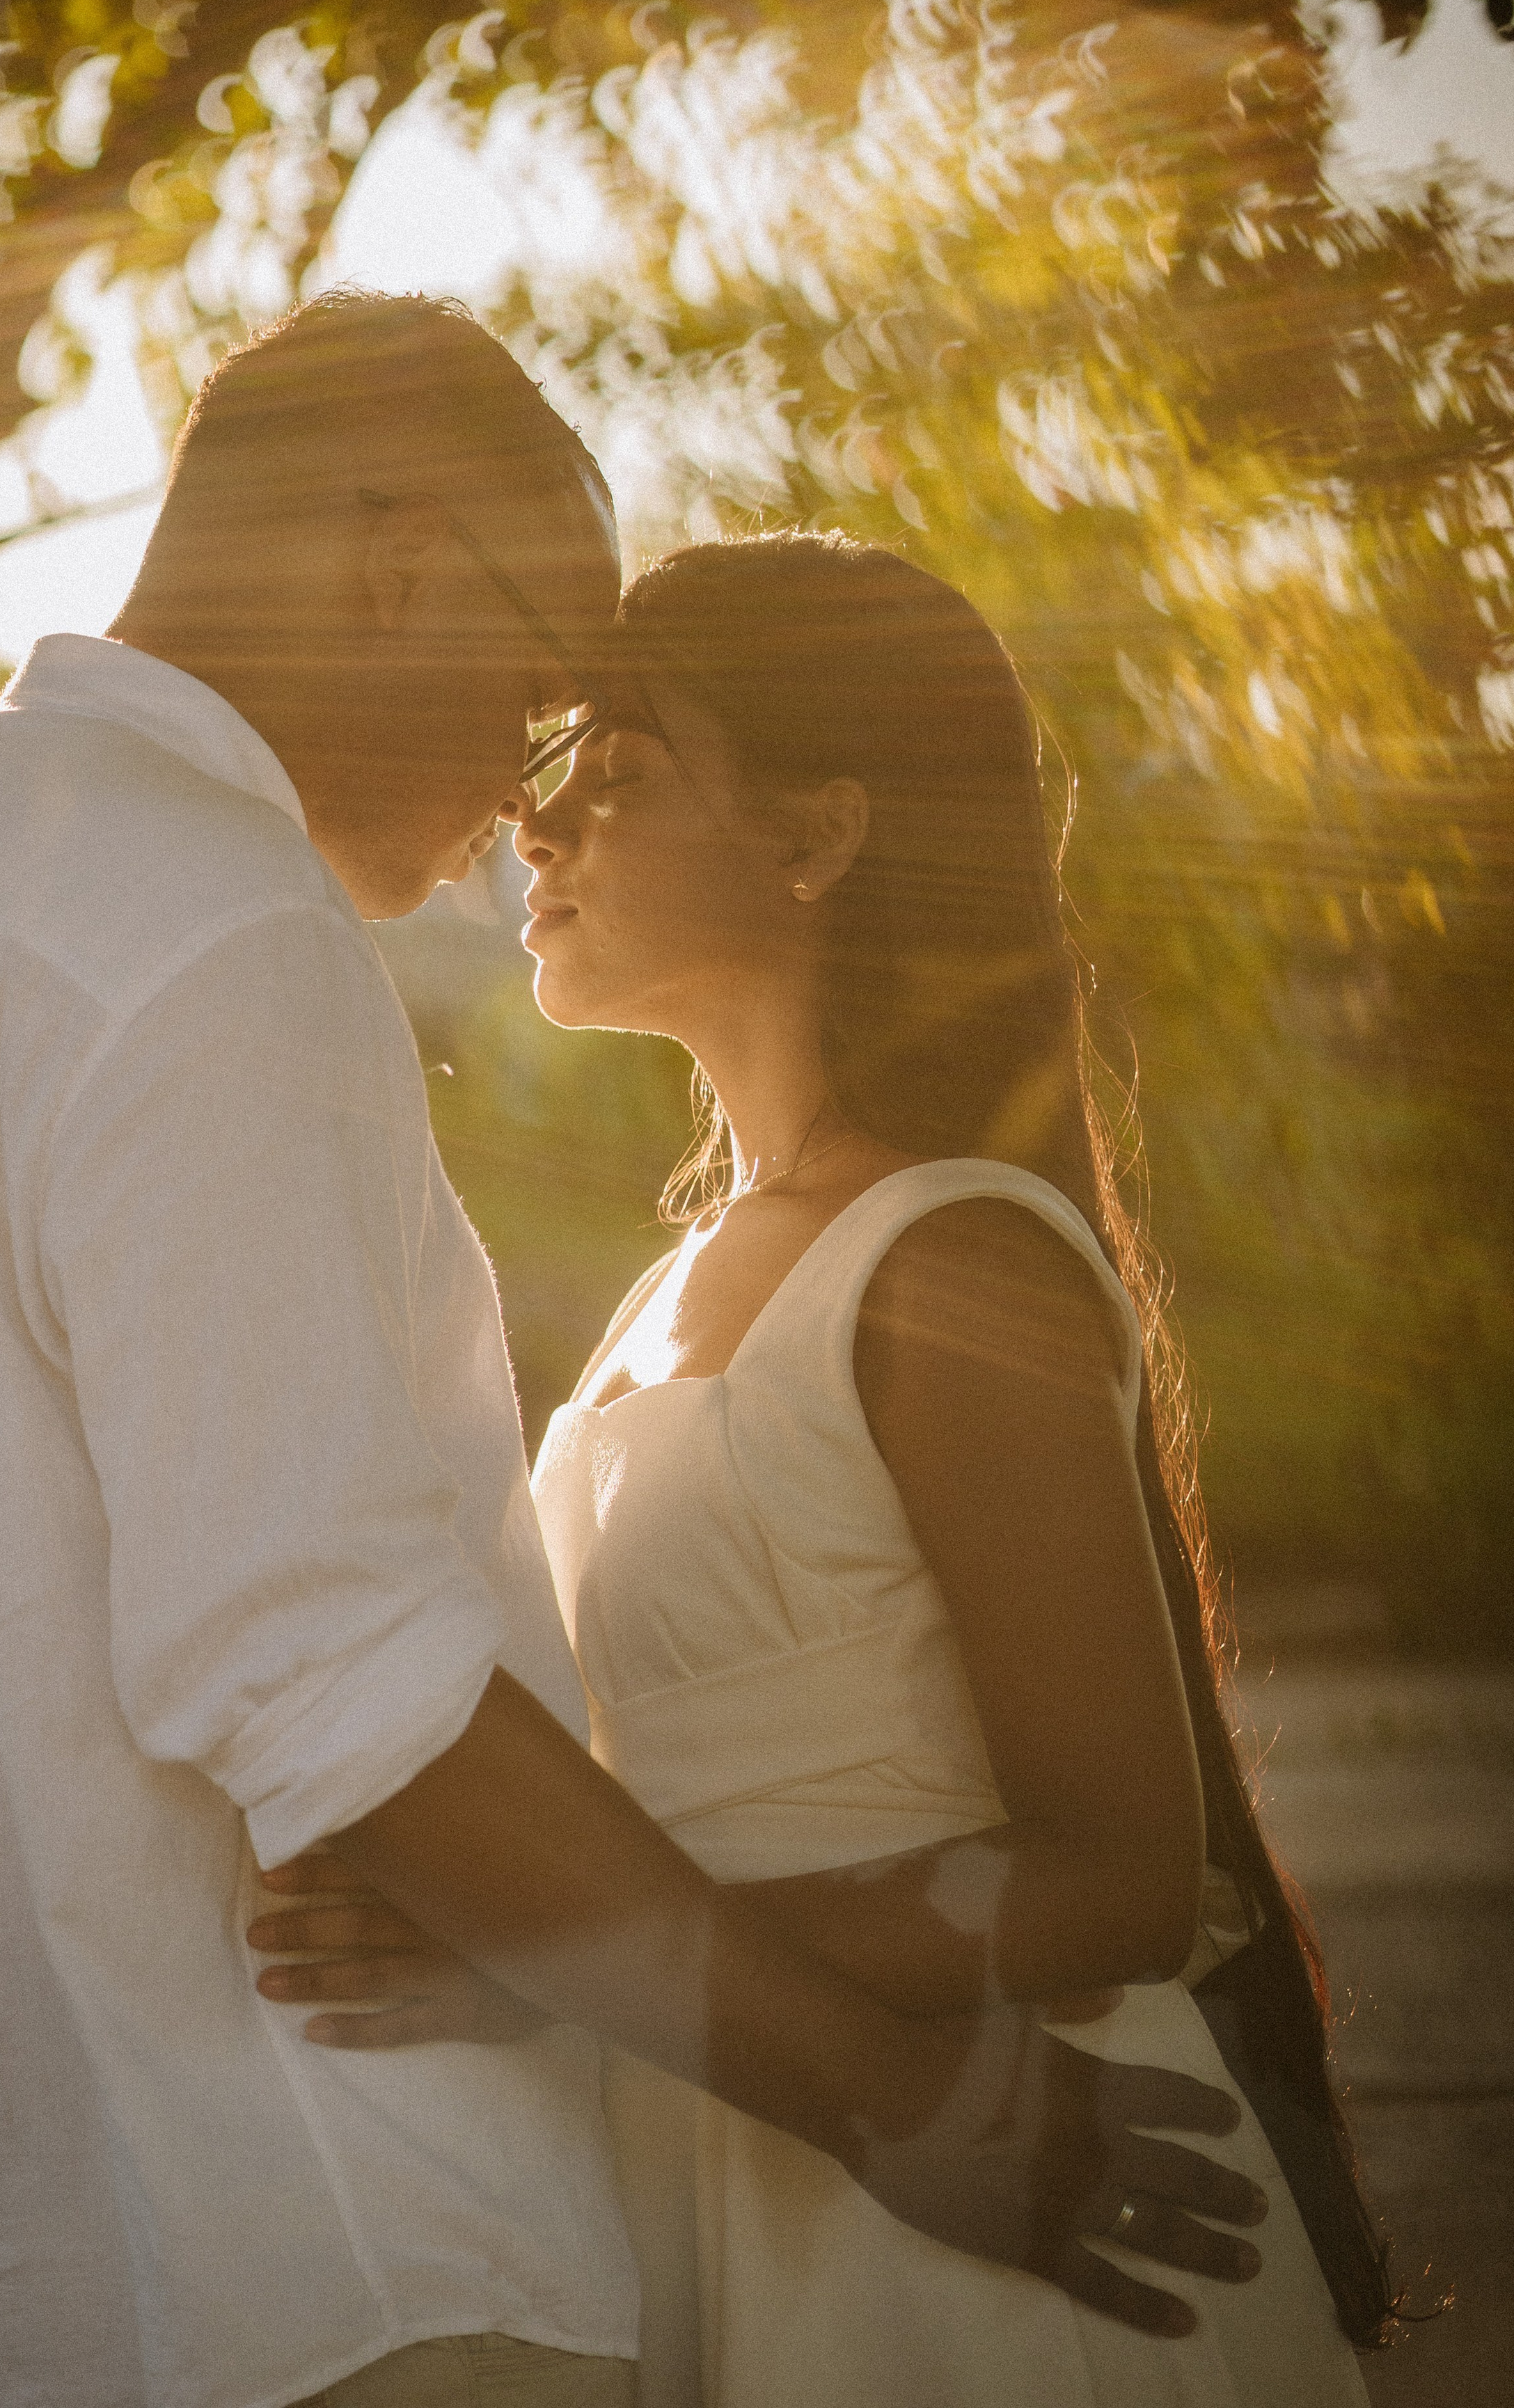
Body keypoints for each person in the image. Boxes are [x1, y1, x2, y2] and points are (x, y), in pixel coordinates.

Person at [0, 303, 1256, 2408]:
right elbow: (332, 1670)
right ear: (402, 558)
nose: (518, 802)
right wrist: (894, 2104)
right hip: (347, 2245)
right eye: (546, 691)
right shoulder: (214, 929)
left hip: (46, 2258)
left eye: (599, 751)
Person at [252, 532, 1395, 2405]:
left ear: (819, 832)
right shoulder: (667, 1287)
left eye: (618, 777)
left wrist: (560, 1954)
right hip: (738, 2152)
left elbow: (1124, 1875)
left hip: (1004, 2216)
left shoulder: (954, 1259)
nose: (540, 833)